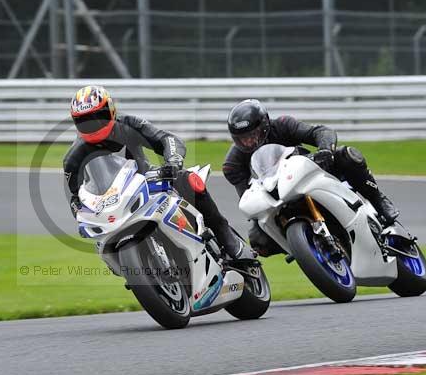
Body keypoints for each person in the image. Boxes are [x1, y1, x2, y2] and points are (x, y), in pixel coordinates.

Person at [63, 85, 244, 260]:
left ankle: (225, 235)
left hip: (146, 181)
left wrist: (173, 160)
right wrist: (81, 210)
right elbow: (75, 197)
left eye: (98, 117)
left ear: (111, 111)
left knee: (188, 180)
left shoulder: (129, 125)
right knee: (97, 238)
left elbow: (167, 139)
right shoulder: (72, 158)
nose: (93, 125)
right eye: (85, 121)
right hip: (112, 201)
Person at [222, 99, 400, 257]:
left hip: (309, 174)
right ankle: (303, 247)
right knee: (258, 239)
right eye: (242, 139)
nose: (248, 142)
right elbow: (246, 195)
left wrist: (325, 150)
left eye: (252, 135)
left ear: (265, 124)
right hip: (276, 195)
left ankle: (379, 200)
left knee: (347, 155)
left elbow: (321, 132)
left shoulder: (283, 125)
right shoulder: (233, 164)